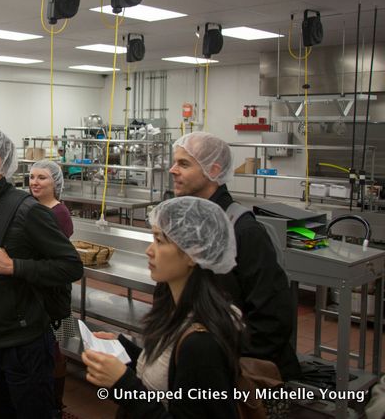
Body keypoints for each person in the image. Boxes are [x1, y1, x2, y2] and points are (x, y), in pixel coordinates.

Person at [0, 128, 83, 418]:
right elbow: (0, 255)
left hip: (24, 344)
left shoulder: (27, 210)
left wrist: (14, 266)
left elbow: (71, 266)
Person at [82, 197, 241, 418]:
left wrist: (123, 384)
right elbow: (166, 374)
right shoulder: (175, 311)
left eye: (159, 240)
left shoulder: (201, 344)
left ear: (192, 253)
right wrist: (124, 349)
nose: (149, 250)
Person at [169, 131, 300, 381]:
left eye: (184, 164)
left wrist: (223, 362)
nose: (173, 170)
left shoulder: (243, 231)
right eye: (174, 162)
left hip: (236, 372)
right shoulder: (189, 224)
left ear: (213, 170)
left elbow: (272, 320)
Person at [29, 159, 74, 418]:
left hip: (55, 293)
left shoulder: (59, 213)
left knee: (57, 346)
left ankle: (56, 401)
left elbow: (49, 255)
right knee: (41, 345)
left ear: (55, 183)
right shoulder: (31, 207)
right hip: (36, 288)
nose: (35, 182)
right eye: (32, 176)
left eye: (42, 177)